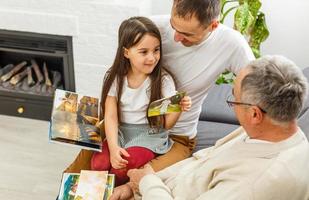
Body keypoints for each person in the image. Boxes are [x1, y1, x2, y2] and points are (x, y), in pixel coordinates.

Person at [64, 0, 254, 177]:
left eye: (187, 34)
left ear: (213, 26)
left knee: (136, 178)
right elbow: (122, 67)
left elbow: (257, 86)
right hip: (123, 124)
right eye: (173, 26)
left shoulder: (232, 44)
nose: (176, 37)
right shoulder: (153, 29)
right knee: (78, 170)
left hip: (176, 134)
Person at [120, 55, 309, 200]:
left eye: (234, 98)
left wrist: (147, 183)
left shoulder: (253, 185)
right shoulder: (265, 131)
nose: (232, 103)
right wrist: (141, 183)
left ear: (254, 114)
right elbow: (202, 159)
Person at [89, 16, 191, 186]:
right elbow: (111, 116)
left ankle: (117, 190)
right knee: (99, 164)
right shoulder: (115, 77)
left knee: (122, 168)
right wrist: (113, 148)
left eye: (156, 50)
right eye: (144, 52)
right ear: (126, 52)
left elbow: (166, 125)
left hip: (149, 134)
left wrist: (178, 108)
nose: (152, 58)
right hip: (121, 132)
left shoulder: (163, 80)